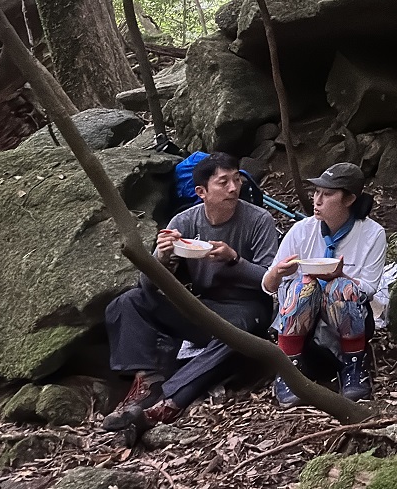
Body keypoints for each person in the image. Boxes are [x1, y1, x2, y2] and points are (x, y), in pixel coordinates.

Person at [102, 153, 280, 441]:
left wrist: (234, 259)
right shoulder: (184, 221)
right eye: (224, 182)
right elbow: (147, 287)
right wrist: (161, 258)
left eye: (237, 179)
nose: (234, 188)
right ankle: (147, 381)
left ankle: (170, 400)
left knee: (233, 334)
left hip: (247, 308)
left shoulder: (259, 220)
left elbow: (269, 280)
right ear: (201, 192)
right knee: (128, 301)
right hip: (202, 306)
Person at [263, 161, 387, 404]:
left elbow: (369, 289)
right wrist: (278, 272)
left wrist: (340, 277)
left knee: (341, 287)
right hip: (301, 319)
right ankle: (288, 372)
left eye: (327, 194)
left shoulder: (372, 234)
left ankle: (353, 369)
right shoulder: (301, 231)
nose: (316, 200)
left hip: (349, 318)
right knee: (304, 285)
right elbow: (267, 285)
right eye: (316, 192)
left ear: (349, 199)